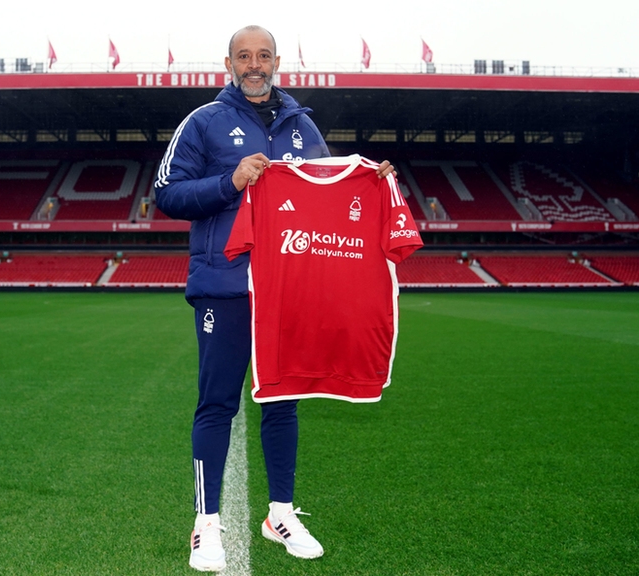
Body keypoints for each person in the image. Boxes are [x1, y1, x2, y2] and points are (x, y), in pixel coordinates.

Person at [154, 25, 393, 572]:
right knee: (217, 404)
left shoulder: (303, 126)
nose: (254, 64)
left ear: (277, 61)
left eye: (263, 56)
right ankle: (205, 522)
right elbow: (166, 193)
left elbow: (330, 191)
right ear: (228, 64)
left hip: (287, 290)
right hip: (226, 285)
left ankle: (279, 513)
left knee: (283, 401)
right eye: (244, 56)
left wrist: (370, 182)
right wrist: (229, 182)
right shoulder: (203, 122)